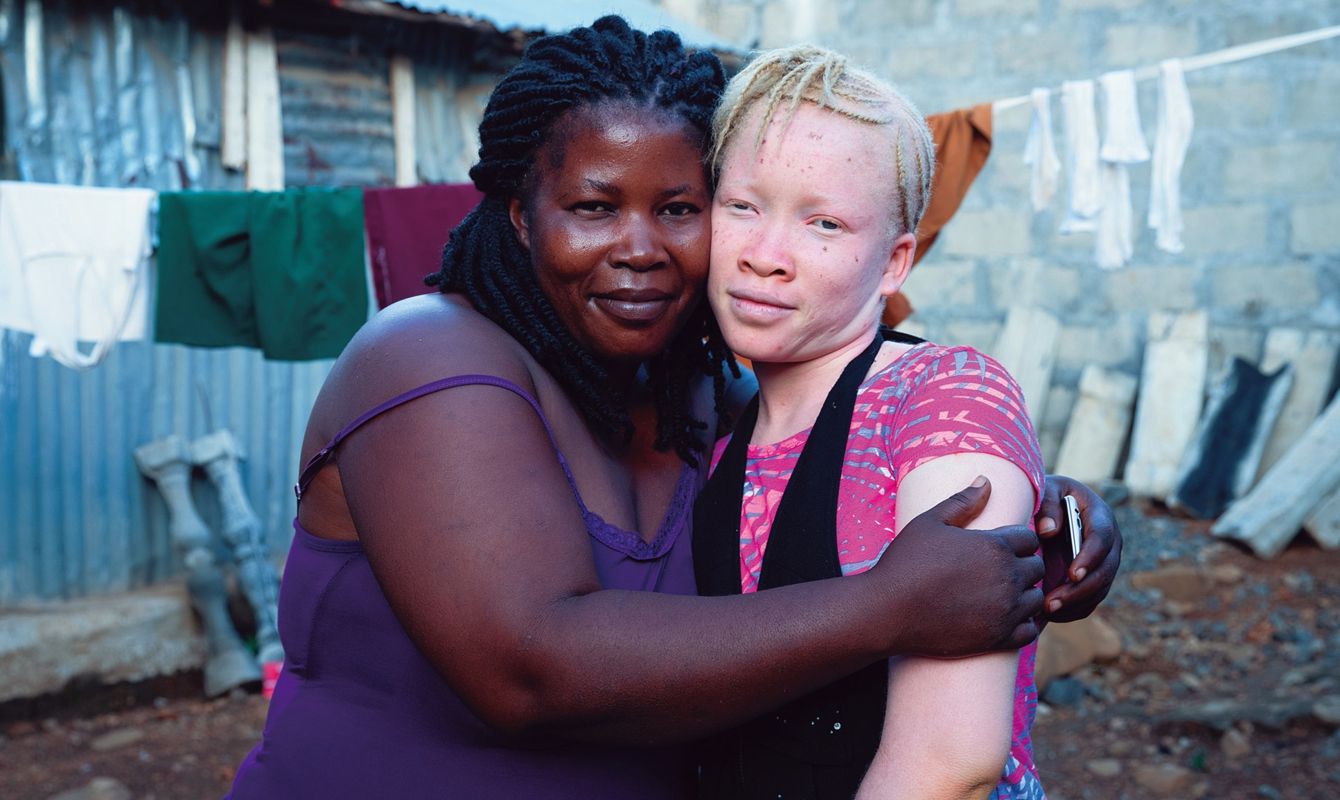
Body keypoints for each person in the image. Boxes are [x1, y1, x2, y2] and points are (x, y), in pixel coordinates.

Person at [228, 17, 1119, 798]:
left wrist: (1041, 520)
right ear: (521, 216)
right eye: (593, 207)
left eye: (681, 208)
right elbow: (527, 671)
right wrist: (888, 607)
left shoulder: (708, 393)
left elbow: (829, 484)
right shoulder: (426, 356)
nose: (640, 249)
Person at [694, 46, 1077, 799]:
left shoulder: (944, 400)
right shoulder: (716, 431)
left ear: (895, 262)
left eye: (825, 223)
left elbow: (950, 763)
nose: (766, 256)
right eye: (742, 206)